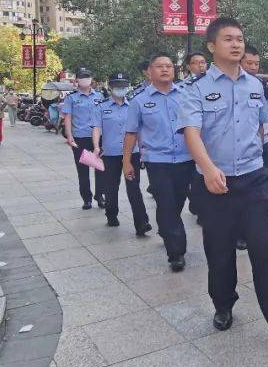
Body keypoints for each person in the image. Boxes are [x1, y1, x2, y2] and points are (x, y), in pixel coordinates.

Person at [179, 17, 268, 340]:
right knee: (219, 251)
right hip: (213, 182)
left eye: (240, 39)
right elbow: (191, 133)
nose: (236, 44)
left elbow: (264, 129)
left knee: (267, 247)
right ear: (211, 46)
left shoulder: (255, 86)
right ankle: (223, 303)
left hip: (254, 180)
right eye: (228, 39)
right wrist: (207, 168)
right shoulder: (196, 89)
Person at [124, 53, 194, 272]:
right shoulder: (139, 100)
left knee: (176, 203)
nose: (165, 70)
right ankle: (176, 253)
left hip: (185, 158)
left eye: (169, 66)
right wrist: (127, 160)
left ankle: (166, 228)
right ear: (150, 71)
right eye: (159, 66)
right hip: (157, 161)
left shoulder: (186, 95)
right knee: (166, 202)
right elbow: (131, 132)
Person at [93, 72, 152, 235]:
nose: (120, 89)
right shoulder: (101, 106)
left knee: (134, 188)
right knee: (111, 188)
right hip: (110, 154)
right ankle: (111, 214)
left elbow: (138, 130)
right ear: (110, 87)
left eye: (123, 86)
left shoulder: (134, 105)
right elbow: (96, 128)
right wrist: (96, 146)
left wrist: (142, 150)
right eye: (117, 86)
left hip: (131, 153)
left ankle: (142, 223)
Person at [238, 43, 268, 248]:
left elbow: (266, 116)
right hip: (238, 149)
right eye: (249, 63)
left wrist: (267, 139)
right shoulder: (228, 87)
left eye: (256, 63)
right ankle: (241, 234)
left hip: (261, 146)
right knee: (243, 195)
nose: (254, 67)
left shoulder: (260, 86)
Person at [62, 68, 104, 209]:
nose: (85, 79)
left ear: (91, 79)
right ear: (77, 80)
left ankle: (100, 195)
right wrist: (69, 136)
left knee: (101, 169)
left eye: (88, 77)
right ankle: (87, 199)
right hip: (81, 138)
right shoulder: (72, 98)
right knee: (83, 171)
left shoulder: (99, 96)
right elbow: (68, 118)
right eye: (82, 77)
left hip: (98, 138)